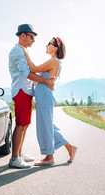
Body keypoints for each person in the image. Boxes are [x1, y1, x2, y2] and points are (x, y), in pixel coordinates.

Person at [21, 37, 77, 166]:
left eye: (49, 44)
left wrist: (25, 52)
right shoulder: (53, 61)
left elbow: (33, 68)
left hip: (45, 96)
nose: (46, 45)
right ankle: (50, 156)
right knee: (47, 125)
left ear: (55, 47)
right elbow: (36, 78)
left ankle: (64, 150)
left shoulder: (53, 61)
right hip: (44, 96)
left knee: (46, 125)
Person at [8, 24, 55, 169]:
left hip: (27, 91)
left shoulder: (23, 51)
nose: (33, 40)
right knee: (21, 124)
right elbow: (26, 73)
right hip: (21, 91)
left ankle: (19, 153)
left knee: (25, 124)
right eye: (32, 36)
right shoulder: (17, 51)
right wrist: (46, 81)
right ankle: (14, 158)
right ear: (23, 35)